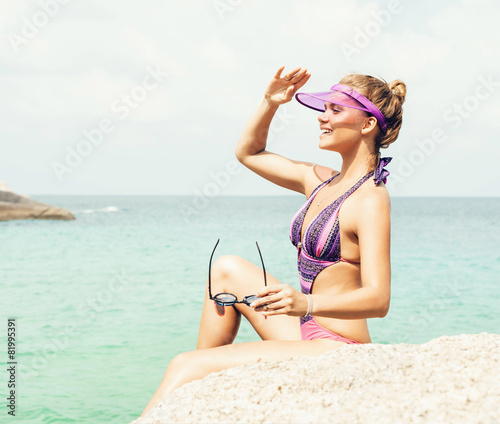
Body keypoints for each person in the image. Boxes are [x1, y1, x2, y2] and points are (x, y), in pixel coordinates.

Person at [140, 65, 406, 417]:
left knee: (183, 365)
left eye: (335, 110)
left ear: (367, 124)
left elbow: (379, 299)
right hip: (303, 329)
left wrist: (305, 304)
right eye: (323, 109)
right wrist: (270, 102)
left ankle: (193, 374)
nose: (322, 117)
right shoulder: (321, 181)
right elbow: (249, 153)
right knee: (226, 269)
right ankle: (202, 381)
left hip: (338, 344)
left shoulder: (371, 199)